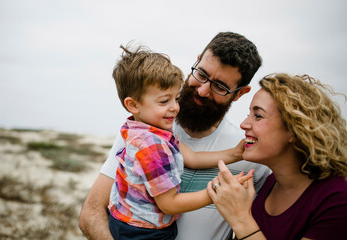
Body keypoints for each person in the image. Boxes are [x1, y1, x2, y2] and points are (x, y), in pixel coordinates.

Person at [79, 32, 271, 240]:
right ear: (197, 60)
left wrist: (236, 154)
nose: (203, 90)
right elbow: (91, 214)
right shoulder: (144, 130)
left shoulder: (254, 159)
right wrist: (216, 191)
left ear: (240, 93)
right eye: (201, 74)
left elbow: (252, 230)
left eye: (220, 86)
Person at [108, 44, 249, 240]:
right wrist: (217, 192)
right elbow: (169, 204)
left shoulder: (142, 130)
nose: (175, 108)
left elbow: (192, 158)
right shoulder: (152, 145)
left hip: (124, 220)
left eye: (176, 98)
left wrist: (235, 153)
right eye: (164, 101)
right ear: (133, 105)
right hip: (144, 233)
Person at [208, 73, 347, 240]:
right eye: (248, 114)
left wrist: (240, 218)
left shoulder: (337, 199)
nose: (243, 124)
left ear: (295, 130)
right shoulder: (271, 183)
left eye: (258, 116)